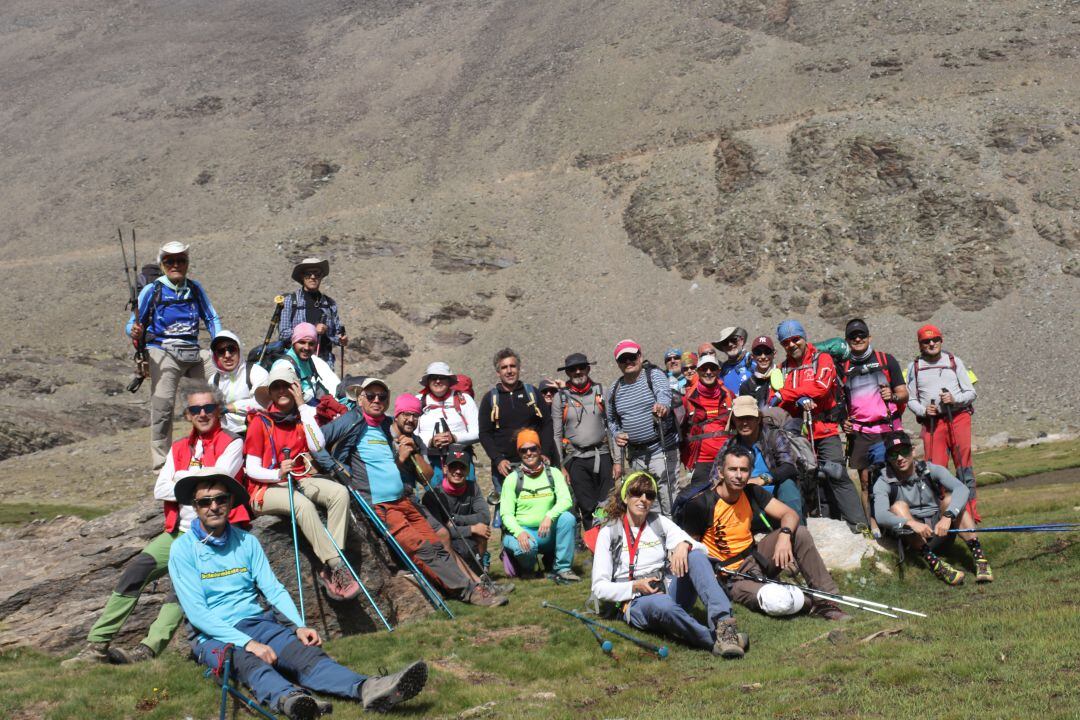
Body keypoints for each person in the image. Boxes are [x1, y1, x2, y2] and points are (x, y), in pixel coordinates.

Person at [168, 468, 426, 718]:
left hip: (259, 623)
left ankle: (369, 687)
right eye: (205, 502)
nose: (213, 507)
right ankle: (292, 700)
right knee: (250, 663)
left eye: (220, 499)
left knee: (306, 655)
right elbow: (198, 613)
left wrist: (298, 626)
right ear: (195, 506)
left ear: (231, 501)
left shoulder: (247, 541)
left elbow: (273, 589)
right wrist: (249, 644)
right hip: (213, 636)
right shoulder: (182, 550)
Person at [63, 386, 250, 667]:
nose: (202, 414)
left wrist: (183, 478)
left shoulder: (232, 442)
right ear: (187, 415)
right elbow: (160, 488)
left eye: (208, 408)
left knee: (181, 590)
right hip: (176, 532)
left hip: (210, 536)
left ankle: (147, 650)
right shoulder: (178, 448)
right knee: (135, 572)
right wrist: (196, 480)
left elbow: (219, 478)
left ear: (219, 410)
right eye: (195, 409)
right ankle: (97, 645)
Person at [316, 378, 507, 606]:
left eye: (382, 396)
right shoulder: (354, 420)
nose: (377, 400)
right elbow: (315, 440)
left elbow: (412, 467)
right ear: (360, 398)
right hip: (381, 505)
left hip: (403, 500)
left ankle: (473, 586)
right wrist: (334, 467)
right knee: (422, 549)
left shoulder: (386, 425)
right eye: (371, 395)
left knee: (436, 544)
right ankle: (469, 592)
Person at [679, 445, 850, 620]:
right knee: (779, 601)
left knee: (800, 533)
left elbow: (789, 514)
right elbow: (692, 549)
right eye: (732, 469)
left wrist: (784, 535)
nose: (739, 475)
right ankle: (807, 602)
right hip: (732, 577)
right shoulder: (700, 504)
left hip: (756, 558)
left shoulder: (751, 492)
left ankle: (828, 601)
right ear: (721, 472)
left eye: (744, 470)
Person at [591, 471, 747, 658]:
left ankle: (724, 625)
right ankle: (714, 639)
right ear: (625, 497)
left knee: (695, 556)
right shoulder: (609, 533)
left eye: (649, 495)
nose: (643, 499)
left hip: (668, 589)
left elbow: (702, 550)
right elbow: (599, 588)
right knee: (662, 603)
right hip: (635, 601)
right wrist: (635, 586)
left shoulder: (659, 522)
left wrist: (684, 544)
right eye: (637, 493)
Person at [244, 364, 359, 601]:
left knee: (339, 493)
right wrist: (276, 474)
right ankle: (337, 566)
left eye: (287, 385)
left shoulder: (302, 418)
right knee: (302, 505)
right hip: (264, 488)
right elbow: (251, 468)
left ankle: (330, 564)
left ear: (295, 388)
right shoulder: (260, 422)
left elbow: (317, 445)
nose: (281, 391)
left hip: (300, 478)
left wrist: (303, 406)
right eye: (276, 386)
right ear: (271, 392)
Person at [126, 241, 222, 469]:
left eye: (181, 260)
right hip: (162, 350)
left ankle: (217, 446)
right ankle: (162, 461)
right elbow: (131, 324)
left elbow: (211, 318)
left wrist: (219, 343)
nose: (176, 265)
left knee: (219, 387)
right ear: (162, 264)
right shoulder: (153, 289)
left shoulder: (195, 288)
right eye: (170, 261)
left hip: (192, 349)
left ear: (187, 263)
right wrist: (134, 330)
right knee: (163, 404)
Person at [776, 319, 867, 531]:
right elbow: (775, 397)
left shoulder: (822, 359)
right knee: (806, 479)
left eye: (795, 339)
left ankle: (860, 526)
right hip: (798, 434)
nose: (792, 345)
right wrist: (794, 398)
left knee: (836, 474)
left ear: (803, 337)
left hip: (825, 429)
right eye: (786, 342)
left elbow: (821, 388)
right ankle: (814, 526)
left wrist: (788, 394)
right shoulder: (782, 369)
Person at [872, 432, 992, 585]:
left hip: (941, 530)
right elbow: (881, 515)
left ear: (913, 450)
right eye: (893, 454)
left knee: (950, 500)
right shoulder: (883, 481)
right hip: (914, 537)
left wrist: (947, 517)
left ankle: (980, 559)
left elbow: (962, 489)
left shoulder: (930, 469)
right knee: (898, 507)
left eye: (904, 451)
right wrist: (911, 524)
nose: (900, 458)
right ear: (888, 457)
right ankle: (936, 564)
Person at [837, 319, 909, 536]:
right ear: (848, 341)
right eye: (853, 337)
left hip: (888, 428)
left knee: (894, 476)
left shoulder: (886, 360)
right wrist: (843, 421)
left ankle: (901, 520)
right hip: (860, 432)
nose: (858, 339)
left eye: (861, 335)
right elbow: (839, 401)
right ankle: (873, 524)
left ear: (869, 337)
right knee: (866, 482)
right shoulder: (843, 367)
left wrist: (893, 396)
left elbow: (904, 393)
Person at [905, 324, 980, 520]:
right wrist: (923, 410)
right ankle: (942, 513)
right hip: (932, 423)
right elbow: (910, 399)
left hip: (958, 417)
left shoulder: (954, 361)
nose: (931, 343)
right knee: (935, 469)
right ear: (920, 345)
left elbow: (971, 393)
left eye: (935, 339)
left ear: (941, 340)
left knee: (964, 466)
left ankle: (970, 512)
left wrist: (955, 400)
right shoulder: (914, 367)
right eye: (926, 341)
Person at [607, 339, 680, 516]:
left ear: (640, 356)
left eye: (632, 357)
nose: (628, 362)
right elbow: (611, 420)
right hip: (635, 455)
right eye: (623, 359)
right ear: (618, 363)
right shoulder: (614, 388)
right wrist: (617, 434)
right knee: (645, 502)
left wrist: (662, 405)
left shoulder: (653, 375)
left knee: (668, 497)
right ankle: (654, 539)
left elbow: (664, 393)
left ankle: (676, 539)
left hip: (660, 448)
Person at [500, 430, 579, 583]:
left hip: (547, 532)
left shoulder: (554, 473)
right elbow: (506, 514)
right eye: (524, 450)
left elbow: (566, 500)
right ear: (519, 453)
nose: (529, 453)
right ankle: (528, 568)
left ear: (539, 449)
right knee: (526, 546)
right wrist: (519, 532)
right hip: (524, 534)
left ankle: (563, 568)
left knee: (568, 518)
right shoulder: (511, 479)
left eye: (533, 448)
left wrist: (550, 516)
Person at [477, 348, 551, 503]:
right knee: (507, 508)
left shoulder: (532, 393)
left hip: (534, 462)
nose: (509, 371)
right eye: (504, 367)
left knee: (538, 504)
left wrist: (545, 452)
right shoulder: (490, 399)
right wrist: (497, 459)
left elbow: (546, 424)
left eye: (512, 366)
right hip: (505, 467)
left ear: (519, 368)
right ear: (498, 372)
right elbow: (484, 433)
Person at [551, 352, 614, 532]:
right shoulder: (560, 398)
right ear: (568, 373)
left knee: (607, 503)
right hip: (575, 459)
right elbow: (556, 434)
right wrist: (560, 467)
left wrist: (617, 462)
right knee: (587, 507)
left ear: (588, 368)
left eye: (581, 368)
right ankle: (595, 549)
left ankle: (608, 543)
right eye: (572, 369)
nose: (578, 372)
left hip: (602, 455)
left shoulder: (601, 391)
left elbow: (612, 426)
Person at [718, 397, 805, 522]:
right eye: (740, 419)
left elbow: (789, 466)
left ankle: (796, 530)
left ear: (758, 418)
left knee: (788, 485)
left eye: (749, 418)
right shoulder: (729, 445)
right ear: (734, 420)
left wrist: (762, 479)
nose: (744, 423)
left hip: (775, 497)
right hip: (744, 497)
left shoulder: (774, 437)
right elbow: (716, 476)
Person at [420, 446, 492, 570]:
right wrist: (472, 528)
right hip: (447, 543)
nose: (458, 471)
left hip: (465, 536)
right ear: (445, 468)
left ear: (468, 470)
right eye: (453, 467)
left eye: (462, 467)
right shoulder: (432, 496)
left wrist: (454, 519)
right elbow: (438, 532)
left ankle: (482, 570)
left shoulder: (473, 488)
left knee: (483, 531)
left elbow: (484, 517)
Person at [415, 361, 480, 485]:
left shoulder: (464, 399)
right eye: (434, 378)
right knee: (436, 501)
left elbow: (478, 432)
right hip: (430, 462)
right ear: (428, 381)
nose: (438, 381)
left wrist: (454, 438)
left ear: (449, 380)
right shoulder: (418, 401)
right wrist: (431, 441)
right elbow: (412, 433)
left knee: (466, 500)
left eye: (442, 377)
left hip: (461, 460)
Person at [279, 257, 347, 366]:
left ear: (321, 277)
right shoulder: (290, 301)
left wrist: (341, 340)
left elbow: (336, 334)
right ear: (302, 276)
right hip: (296, 362)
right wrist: (312, 329)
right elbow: (283, 334)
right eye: (308, 274)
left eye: (317, 274)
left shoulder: (330, 304)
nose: (313, 277)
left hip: (324, 362)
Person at [680, 354, 735, 486]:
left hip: (727, 458)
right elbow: (680, 430)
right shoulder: (687, 399)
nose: (708, 372)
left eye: (712, 368)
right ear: (698, 371)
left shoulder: (729, 395)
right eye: (704, 368)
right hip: (701, 461)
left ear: (718, 371)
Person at [208, 330, 268, 436]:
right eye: (221, 351)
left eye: (231, 349)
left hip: (257, 431)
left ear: (239, 350)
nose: (227, 355)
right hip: (226, 434)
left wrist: (232, 407)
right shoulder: (213, 381)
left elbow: (264, 403)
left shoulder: (256, 372)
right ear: (215, 356)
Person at [273, 322, 340, 405]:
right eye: (302, 342)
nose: (307, 348)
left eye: (311, 344)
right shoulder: (284, 366)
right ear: (293, 343)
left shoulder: (310, 361)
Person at [738, 336, 784, 409]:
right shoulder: (746, 386)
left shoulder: (784, 376)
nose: (763, 356)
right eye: (758, 352)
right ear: (752, 356)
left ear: (774, 354)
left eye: (767, 352)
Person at [715, 327, 754, 397]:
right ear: (723, 348)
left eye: (733, 340)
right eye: (725, 342)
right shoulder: (723, 369)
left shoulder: (753, 361)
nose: (730, 344)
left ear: (741, 341)